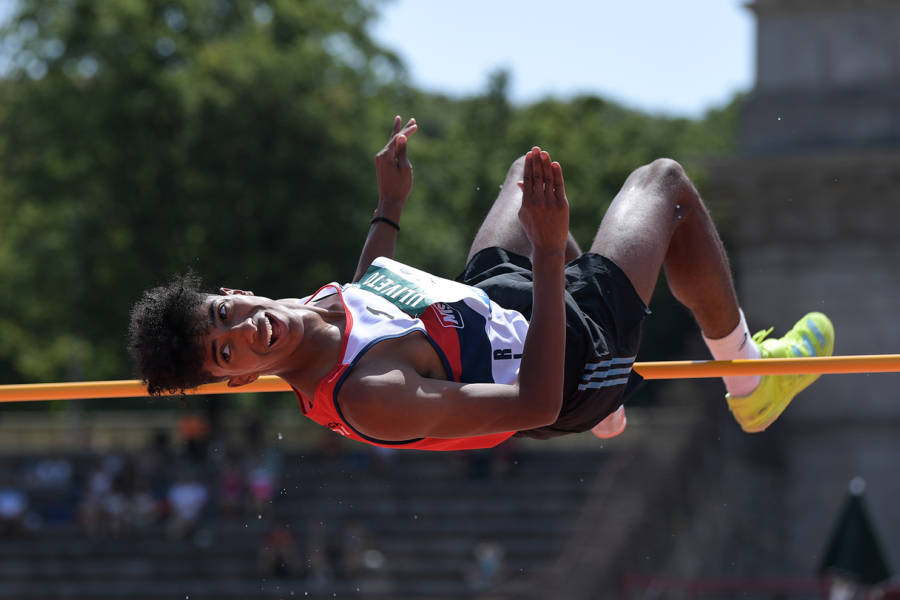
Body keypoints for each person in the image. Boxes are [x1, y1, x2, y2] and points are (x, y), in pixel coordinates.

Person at [128, 116, 834, 451]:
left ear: (232, 290)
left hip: (490, 304)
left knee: (527, 175)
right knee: (665, 183)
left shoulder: (305, 313)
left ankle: (610, 399)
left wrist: (390, 207)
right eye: (226, 352)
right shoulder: (371, 395)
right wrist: (551, 255)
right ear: (239, 380)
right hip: (565, 367)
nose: (244, 329)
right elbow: (533, 404)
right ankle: (750, 380)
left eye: (223, 313)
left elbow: (368, 292)